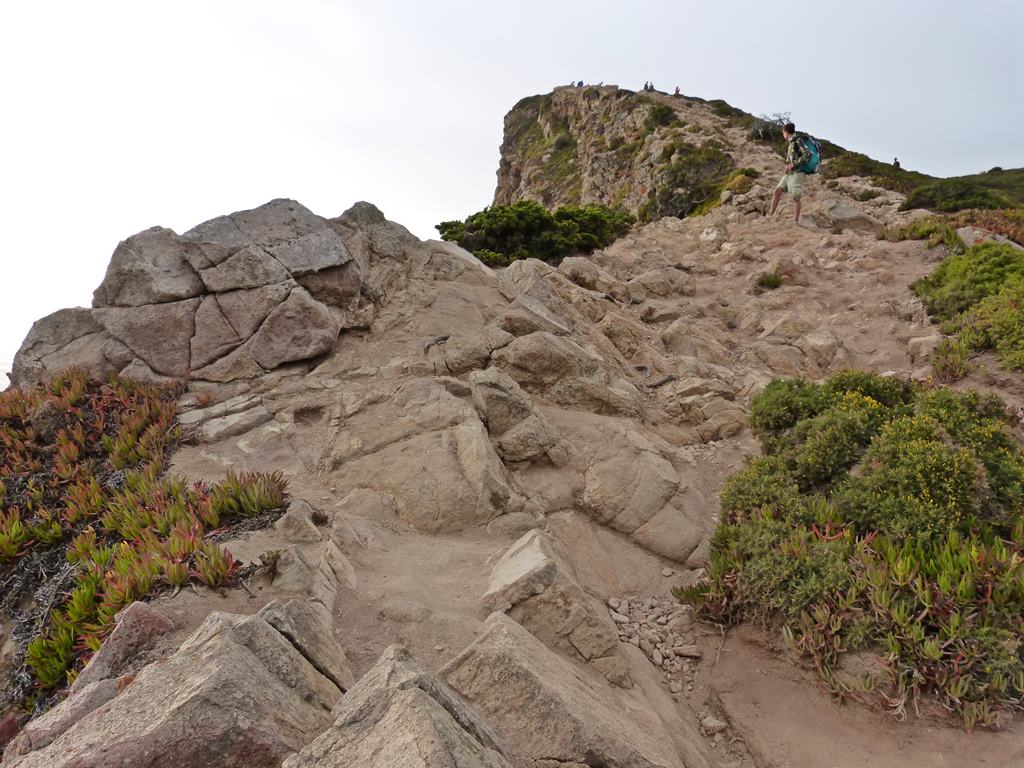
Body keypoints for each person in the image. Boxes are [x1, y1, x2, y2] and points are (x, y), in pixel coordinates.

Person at [768, 122, 811, 223]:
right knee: (777, 191)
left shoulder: (798, 140)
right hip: (789, 174)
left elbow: (807, 154)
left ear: (786, 132)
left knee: (795, 197)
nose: (783, 135)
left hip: (798, 173)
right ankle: (770, 215)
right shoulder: (791, 143)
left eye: (783, 132)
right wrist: (788, 166)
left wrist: (794, 164)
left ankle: (795, 222)